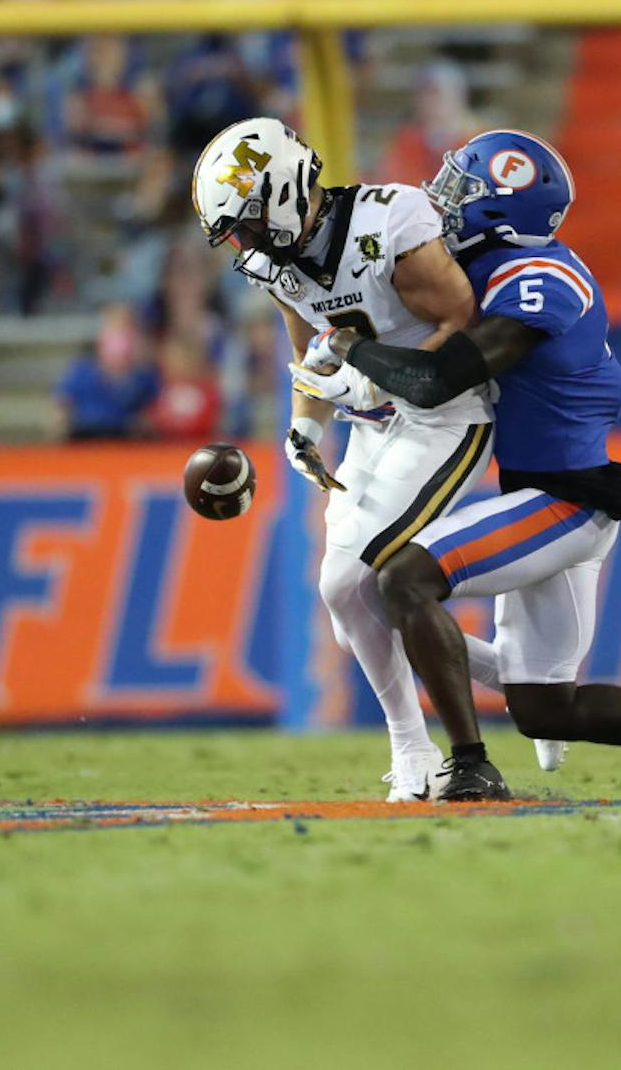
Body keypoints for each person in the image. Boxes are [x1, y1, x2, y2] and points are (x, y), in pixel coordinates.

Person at [296, 129, 621, 801]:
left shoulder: (541, 279)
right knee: (543, 707)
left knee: (404, 578)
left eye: (462, 191)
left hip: (566, 503)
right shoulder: (475, 266)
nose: (442, 200)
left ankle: (469, 761)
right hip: (537, 496)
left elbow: (437, 379)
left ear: (503, 212)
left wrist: (351, 350)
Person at [191, 117, 501, 802]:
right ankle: (501, 678)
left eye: (244, 223)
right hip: (373, 427)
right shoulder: (273, 263)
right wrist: (304, 425)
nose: (243, 242)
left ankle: (413, 747)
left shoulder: (387, 222)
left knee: (355, 585)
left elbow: (463, 323)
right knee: (345, 601)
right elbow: (309, 356)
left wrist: (370, 380)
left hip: (444, 414)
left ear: (278, 191)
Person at [54, 303, 159, 440]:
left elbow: (153, 419)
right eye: (112, 330)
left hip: (126, 445)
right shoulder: (80, 372)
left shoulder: (145, 377)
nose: (117, 340)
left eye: (123, 332)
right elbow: (60, 411)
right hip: (83, 443)